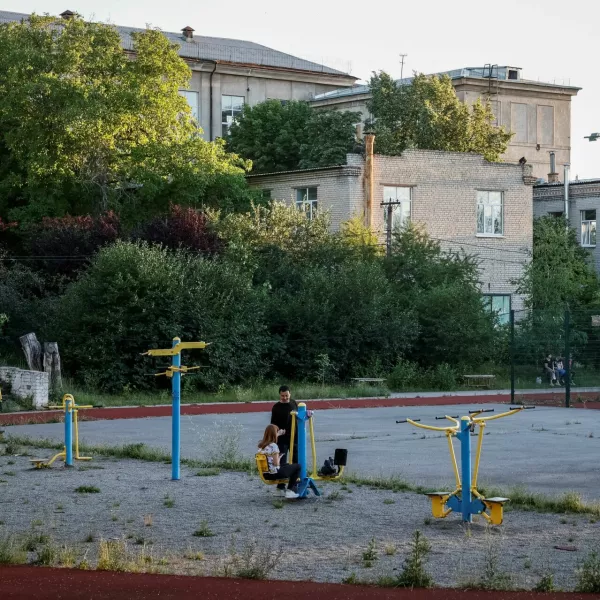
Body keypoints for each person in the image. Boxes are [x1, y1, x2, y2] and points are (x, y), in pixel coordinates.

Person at [257, 424, 300, 499]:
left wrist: (278, 434)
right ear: (274, 434)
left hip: (266, 474)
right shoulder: (274, 446)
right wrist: (279, 457)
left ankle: (280, 490)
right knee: (297, 466)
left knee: (287, 465)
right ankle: (290, 491)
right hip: (274, 473)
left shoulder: (261, 446)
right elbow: (276, 463)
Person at [271, 385, 298, 491]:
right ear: (279, 395)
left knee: (296, 459)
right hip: (282, 438)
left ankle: (294, 483)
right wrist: (277, 432)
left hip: (294, 437)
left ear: (290, 394)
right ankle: (281, 485)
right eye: (282, 396)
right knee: (282, 461)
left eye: (286, 395)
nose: (285, 398)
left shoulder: (293, 403)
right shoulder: (276, 407)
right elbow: (273, 423)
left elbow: (298, 416)